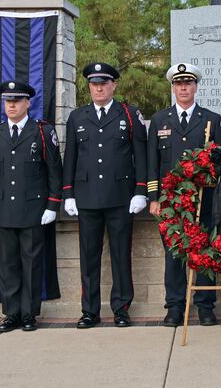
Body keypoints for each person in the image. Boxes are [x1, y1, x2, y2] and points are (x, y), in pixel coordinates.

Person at [63, 62, 148, 328]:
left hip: (121, 198)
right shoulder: (78, 117)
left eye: (104, 83)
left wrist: (140, 191)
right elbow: (71, 159)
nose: (98, 88)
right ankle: (89, 311)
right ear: (89, 86)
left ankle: (121, 308)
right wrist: (68, 194)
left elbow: (141, 157)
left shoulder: (129, 114)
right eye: (94, 84)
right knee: (89, 257)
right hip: (87, 198)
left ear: (114, 85)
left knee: (121, 255)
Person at [147, 63, 221, 327]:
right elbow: (152, 162)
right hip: (170, 202)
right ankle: (175, 307)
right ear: (172, 88)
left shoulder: (211, 120)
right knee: (174, 254)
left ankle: (205, 306)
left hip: (204, 199)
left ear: (195, 87)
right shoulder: (160, 120)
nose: (183, 88)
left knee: (204, 250)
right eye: (179, 84)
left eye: (188, 83)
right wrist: (153, 197)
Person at [0, 81, 63, 332]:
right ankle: (11, 313)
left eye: (17, 101)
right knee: (6, 264)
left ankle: (29, 313)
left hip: (33, 209)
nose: (12, 105)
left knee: (31, 263)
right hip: (3, 207)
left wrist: (52, 205)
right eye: (8, 101)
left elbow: (54, 171)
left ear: (28, 103)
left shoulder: (41, 131)